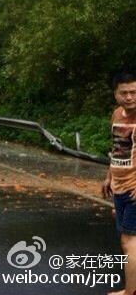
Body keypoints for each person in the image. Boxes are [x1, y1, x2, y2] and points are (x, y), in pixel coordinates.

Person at [102, 72, 136, 295]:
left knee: (129, 241)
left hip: (134, 189)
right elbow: (118, 150)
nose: (130, 97)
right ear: (115, 94)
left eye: (134, 92)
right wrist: (108, 176)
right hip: (119, 185)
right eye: (124, 92)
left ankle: (130, 291)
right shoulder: (116, 115)